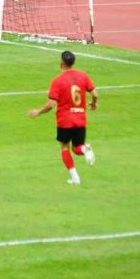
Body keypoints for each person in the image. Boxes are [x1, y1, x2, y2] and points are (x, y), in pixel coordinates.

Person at [27, 51, 98, 185]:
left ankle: (75, 178)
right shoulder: (83, 76)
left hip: (65, 120)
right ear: (73, 62)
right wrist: (94, 104)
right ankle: (84, 149)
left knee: (65, 147)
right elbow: (95, 94)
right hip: (80, 118)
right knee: (77, 148)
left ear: (61, 64)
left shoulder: (58, 81)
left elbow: (51, 104)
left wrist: (38, 112)